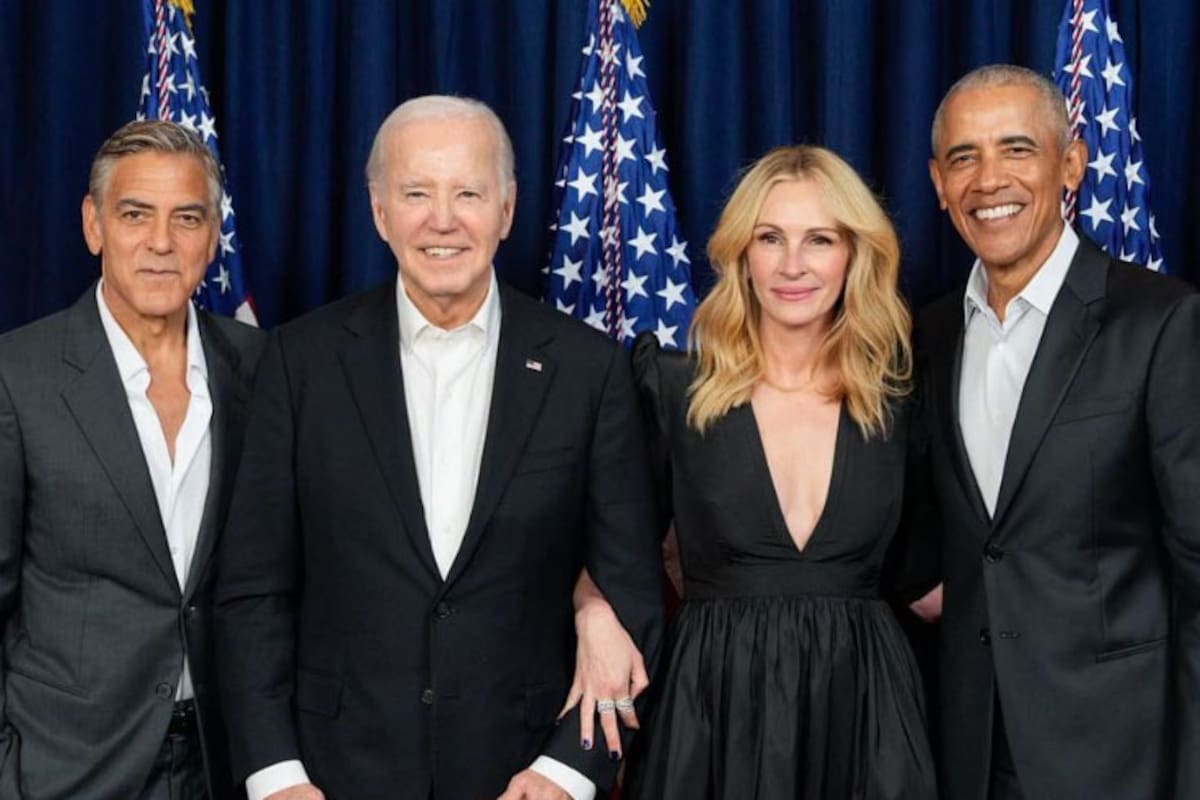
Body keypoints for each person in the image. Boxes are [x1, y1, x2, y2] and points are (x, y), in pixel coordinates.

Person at [212, 95, 664, 800]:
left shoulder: (589, 370)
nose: (443, 219)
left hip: (523, 775)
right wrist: (275, 776)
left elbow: (631, 589)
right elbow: (252, 592)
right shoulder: (300, 362)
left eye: (469, 194)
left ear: (507, 210)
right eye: (417, 193)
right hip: (330, 778)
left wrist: (567, 772)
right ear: (379, 211)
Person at [619, 144, 937, 799]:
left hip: (865, 716)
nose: (793, 265)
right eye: (771, 238)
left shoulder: (904, 401)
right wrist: (593, 615)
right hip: (711, 713)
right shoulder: (672, 389)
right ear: (742, 254)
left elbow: (935, 578)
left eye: (819, 239)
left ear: (854, 254)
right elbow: (611, 551)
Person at [920, 63, 1200, 800]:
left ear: (1070, 164)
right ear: (939, 184)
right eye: (963, 158)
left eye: (1017, 149)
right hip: (970, 750)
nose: (989, 180)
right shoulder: (929, 334)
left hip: (1123, 757)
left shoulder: (1161, 322)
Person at [0, 120, 263, 798]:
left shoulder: (263, 367)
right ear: (94, 226)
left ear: (213, 234)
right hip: (64, 769)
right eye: (135, 215)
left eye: (187, 218)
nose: (161, 243)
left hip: (224, 761)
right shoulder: (16, 376)